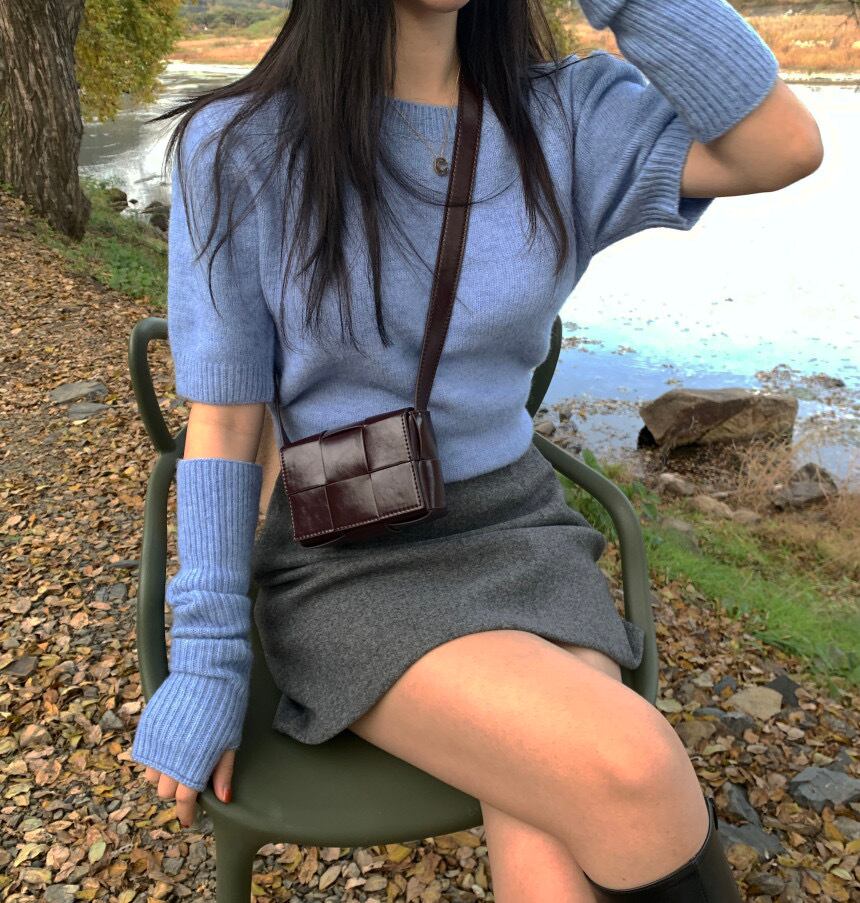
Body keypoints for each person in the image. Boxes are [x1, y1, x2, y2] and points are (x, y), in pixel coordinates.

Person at [130, 0, 822, 899]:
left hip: (518, 528)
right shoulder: (241, 144)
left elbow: (780, 147)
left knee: (562, 807)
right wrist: (207, 659)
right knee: (630, 767)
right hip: (346, 554)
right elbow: (226, 426)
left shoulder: (566, 116)